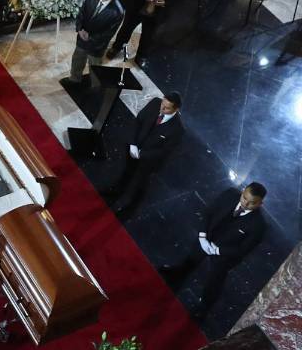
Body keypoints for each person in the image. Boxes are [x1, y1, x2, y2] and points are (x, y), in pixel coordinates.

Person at [160, 183, 267, 318]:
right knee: (192, 257)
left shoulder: (258, 225)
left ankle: (204, 305)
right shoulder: (230, 194)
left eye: (252, 203)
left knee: (214, 280)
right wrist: (203, 236)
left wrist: (217, 250)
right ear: (243, 192)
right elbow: (208, 212)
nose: (246, 204)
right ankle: (178, 273)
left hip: (225, 253)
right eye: (244, 198)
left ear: (260, 204)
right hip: (209, 236)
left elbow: (242, 250)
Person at [107, 93, 184, 215]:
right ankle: (116, 189)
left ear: (176, 109)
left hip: (148, 161)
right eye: (162, 104)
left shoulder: (177, 129)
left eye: (167, 108)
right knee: (126, 170)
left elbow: (164, 152)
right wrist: (133, 143)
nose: (162, 109)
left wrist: (142, 154)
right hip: (135, 148)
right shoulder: (155, 103)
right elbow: (138, 121)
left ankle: (124, 204)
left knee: (137, 181)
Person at [59, 0, 123, 87]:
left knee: (95, 68)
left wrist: (90, 38)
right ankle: (74, 79)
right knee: (77, 59)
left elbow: (108, 33)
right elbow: (82, 12)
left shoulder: (117, 11)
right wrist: (79, 29)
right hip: (82, 38)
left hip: (96, 45)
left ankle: (95, 87)